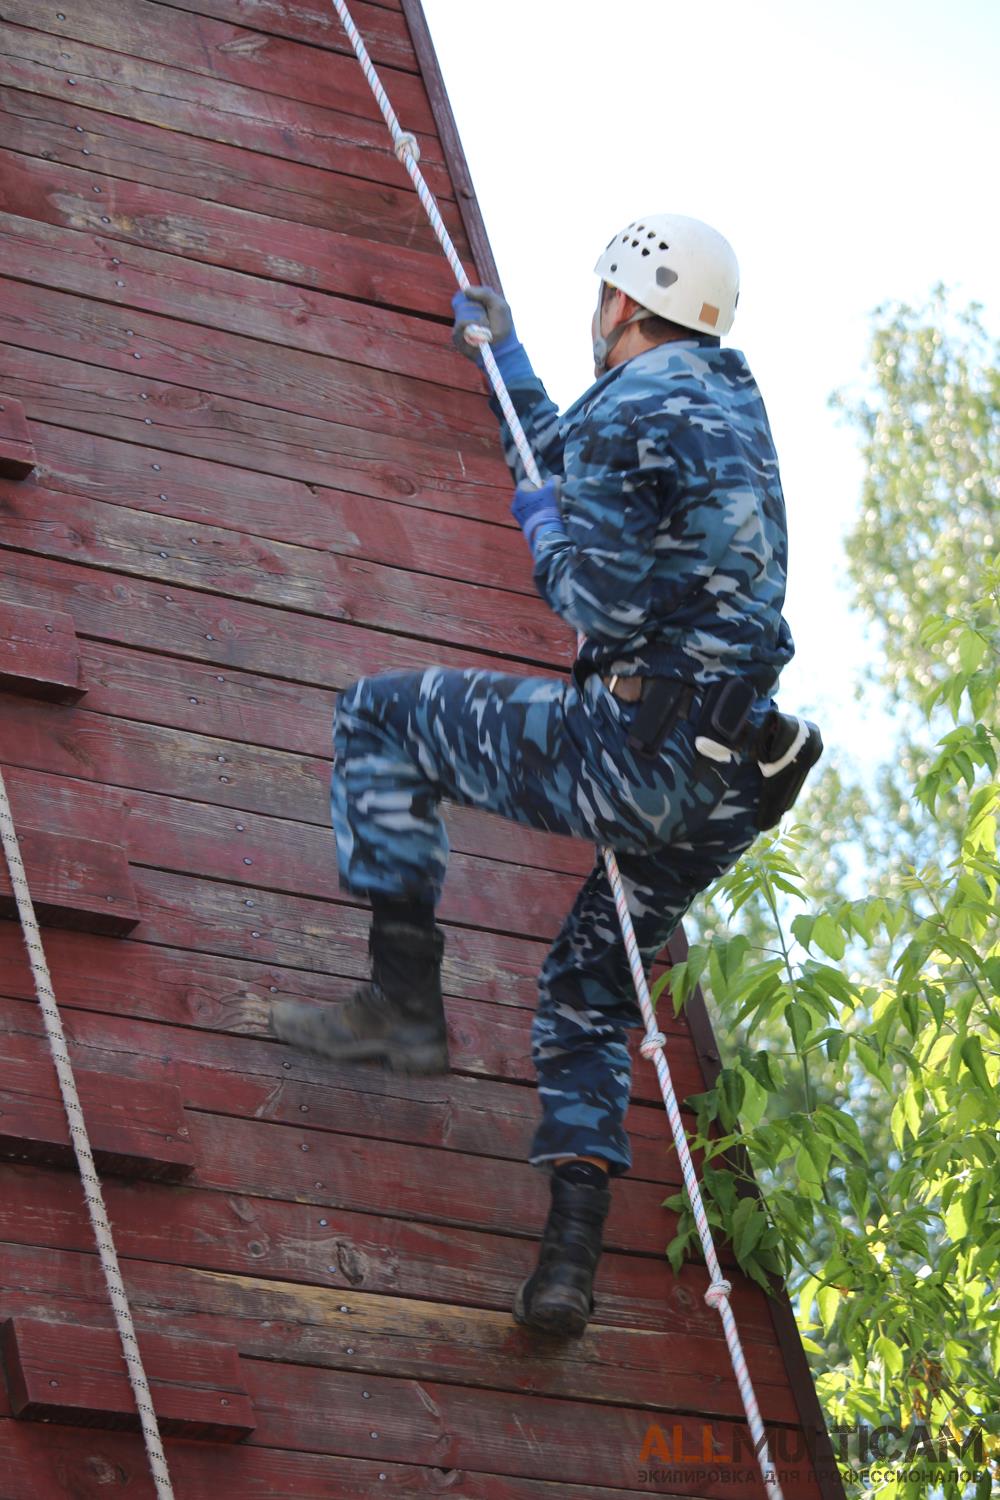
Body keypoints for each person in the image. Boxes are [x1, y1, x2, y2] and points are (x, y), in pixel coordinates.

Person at [272, 213, 819, 1338]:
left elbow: (594, 598)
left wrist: (543, 534)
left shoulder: (631, 407)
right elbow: (573, 455)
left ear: (620, 302)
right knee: (587, 983)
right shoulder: (722, 401)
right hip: (730, 776)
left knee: (376, 718)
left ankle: (405, 1002)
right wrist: (505, 363)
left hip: (635, 751)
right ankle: (567, 1261)